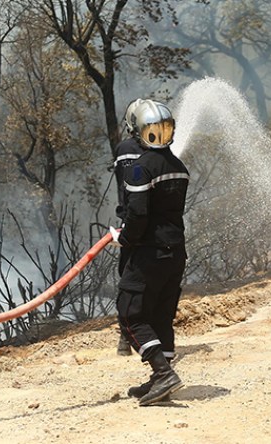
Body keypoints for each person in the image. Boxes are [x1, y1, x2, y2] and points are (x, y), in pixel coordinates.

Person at [109, 99, 189, 406]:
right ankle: (160, 377)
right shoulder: (179, 167)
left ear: (138, 131)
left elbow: (139, 216)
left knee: (131, 312)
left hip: (149, 254)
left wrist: (124, 239)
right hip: (175, 253)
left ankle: (162, 373)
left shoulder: (140, 169)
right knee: (160, 315)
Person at [112, 99, 146, 356]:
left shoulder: (124, 148)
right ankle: (134, 336)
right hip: (155, 229)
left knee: (128, 281)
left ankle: (128, 336)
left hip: (134, 225)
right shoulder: (157, 152)